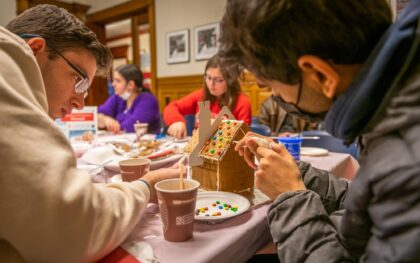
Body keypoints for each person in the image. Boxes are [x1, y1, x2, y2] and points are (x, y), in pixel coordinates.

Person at [220, 0, 420, 262]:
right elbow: (364, 204)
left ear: (322, 76)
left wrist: (290, 197)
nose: (276, 96)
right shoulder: (393, 103)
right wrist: (294, 172)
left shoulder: (408, 162)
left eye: (272, 86)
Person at [0, 5, 179, 262]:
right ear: (35, 50)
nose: (80, 104)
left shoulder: (146, 100)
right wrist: (145, 187)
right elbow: (72, 228)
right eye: (79, 80)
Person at [163, 54, 252, 139]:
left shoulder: (242, 102)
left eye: (219, 80)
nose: (211, 84)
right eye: (208, 78)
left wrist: (217, 128)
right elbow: (171, 107)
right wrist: (177, 121)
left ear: (230, 81)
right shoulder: (200, 95)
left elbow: (242, 136)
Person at [98, 64, 160, 134]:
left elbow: (129, 127)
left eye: (118, 81)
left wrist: (107, 123)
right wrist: (106, 119)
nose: (113, 84)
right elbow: (96, 116)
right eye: (113, 80)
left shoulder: (148, 101)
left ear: (130, 85)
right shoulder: (118, 98)